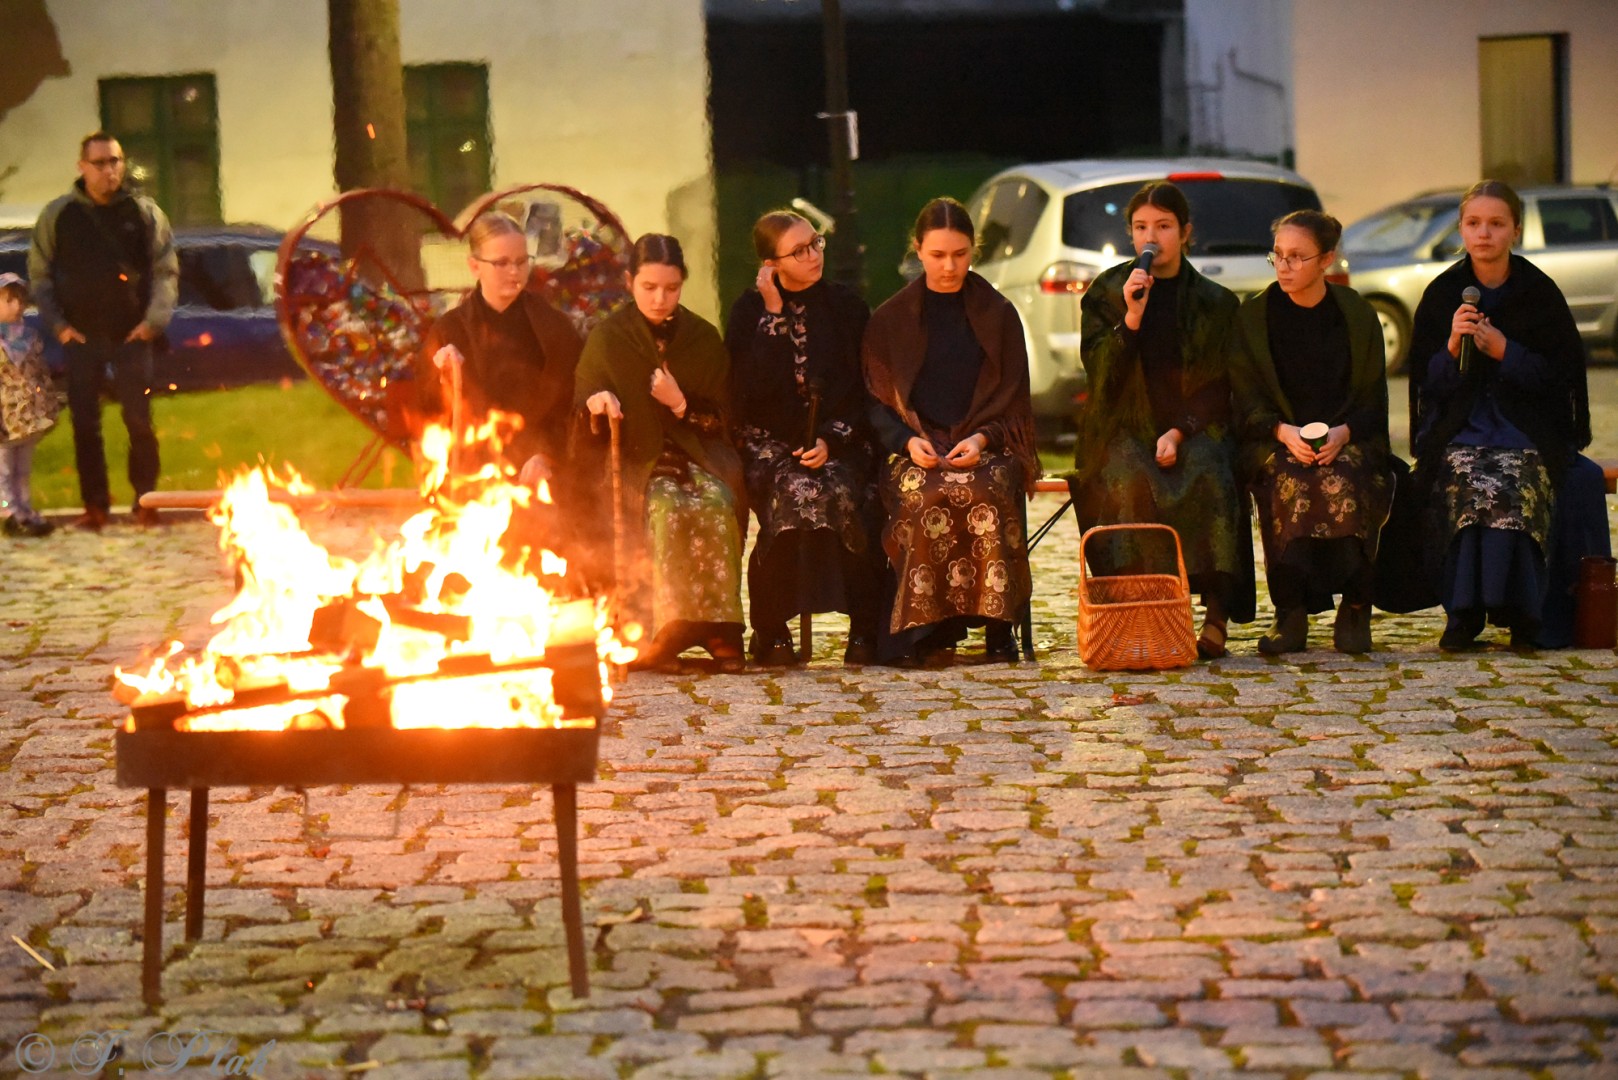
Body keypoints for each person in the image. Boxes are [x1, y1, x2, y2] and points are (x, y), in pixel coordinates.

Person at [1067, 181, 1251, 659]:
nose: (1153, 237)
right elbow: (1101, 378)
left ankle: (1215, 615)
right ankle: (1140, 608)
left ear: (1185, 232)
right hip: (1122, 428)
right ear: (1131, 234)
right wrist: (1130, 318)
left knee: (1211, 468)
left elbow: (1220, 389)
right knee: (1126, 476)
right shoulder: (1108, 292)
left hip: (1193, 427)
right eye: (1142, 227)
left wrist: (1180, 430)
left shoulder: (1215, 303)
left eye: (1164, 227)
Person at [1407, 180, 1594, 650]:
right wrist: (1453, 348)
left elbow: (1560, 375)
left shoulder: (1539, 293)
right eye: (1473, 223)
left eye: (1495, 224)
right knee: (1465, 473)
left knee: (1514, 474)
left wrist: (1505, 350)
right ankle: (1463, 613)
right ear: (1461, 231)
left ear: (1515, 230)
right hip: (1462, 425)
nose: (1483, 234)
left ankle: (1524, 612)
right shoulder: (1444, 292)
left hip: (1526, 426)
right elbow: (1428, 384)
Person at [862, 197, 1041, 667]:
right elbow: (876, 405)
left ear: (973, 250)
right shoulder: (890, 320)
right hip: (915, 448)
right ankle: (923, 630)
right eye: (938, 255)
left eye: (959, 254)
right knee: (925, 496)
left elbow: (1015, 404)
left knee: (985, 491)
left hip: (985, 446)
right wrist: (907, 441)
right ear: (918, 251)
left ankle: (998, 628)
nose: (949, 266)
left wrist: (982, 440)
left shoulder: (998, 315)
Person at [574, 233, 746, 672]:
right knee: (666, 506)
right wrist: (598, 404)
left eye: (670, 288)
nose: (660, 297)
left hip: (698, 456)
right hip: (635, 457)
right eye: (649, 287)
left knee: (716, 502)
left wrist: (680, 403)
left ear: (682, 284)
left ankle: (717, 629)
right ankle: (660, 631)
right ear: (630, 282)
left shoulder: (702, 338)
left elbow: (724, 417)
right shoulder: (609, 337)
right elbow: (582, 403)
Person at [1230, 210, 1393, 654]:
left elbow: (1374, 398)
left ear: (1326, 260)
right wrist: (1282, 432)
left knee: (1345, 476)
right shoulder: (1254, 318)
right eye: (1278, 256)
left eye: (1297, 257)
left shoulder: (1356, 315)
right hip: (1277, 439)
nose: (1284, 266)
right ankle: (1291, 612)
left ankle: (1357, 604)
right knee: (1290, 479)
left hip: (1349, 438)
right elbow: (1244, 398)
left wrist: (1344, 432)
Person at [726, 210, 881, 666]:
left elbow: (863, 387)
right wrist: (774, 315)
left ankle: (865, 627)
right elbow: (750, 392)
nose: (813, 255)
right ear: (771, 265)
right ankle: (771, 628)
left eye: (815, 243)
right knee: (794, 489)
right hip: (768, 443)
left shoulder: (846, 307)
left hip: (841, 438)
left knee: (842, 491)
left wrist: (832, 439)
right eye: (799, 251)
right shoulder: (748, 312)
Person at [27, 131, 176, 530]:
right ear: (82, 167)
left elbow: (165, 270)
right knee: (85, 424)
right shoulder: (59, 216)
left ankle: (146, 501)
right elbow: (40, 275)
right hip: (81, 337)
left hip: (133, 335)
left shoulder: (144, 213)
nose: (110, 171)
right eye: (100, 163)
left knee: (139, 421)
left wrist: (152, 323)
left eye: (116, 162)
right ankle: (95, 507)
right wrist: (58, 326)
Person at [414, 210, 583, 514]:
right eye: (501, 263)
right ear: (474, 265)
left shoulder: (553, 327)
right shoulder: (450, 330)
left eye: (521, 261)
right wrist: (442, 375)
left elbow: (571, 405)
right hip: (474, 469)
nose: (514, 272)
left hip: (542, 464)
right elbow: (427, 409)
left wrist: (547, 456)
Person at [0, 273, 59, 537]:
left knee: (22, 470)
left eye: (20, 301)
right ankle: (6, 511)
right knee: (3, 470)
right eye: (9, 301)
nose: (17, 306)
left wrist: (48, 405)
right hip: (4, 418)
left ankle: (25, 510)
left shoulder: (30, 337)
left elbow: (40, 374)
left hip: (27, 417)